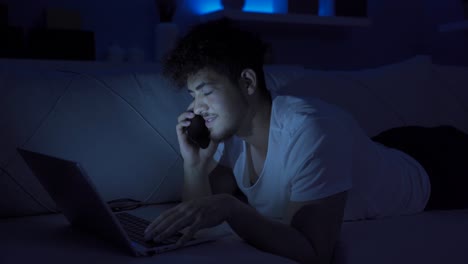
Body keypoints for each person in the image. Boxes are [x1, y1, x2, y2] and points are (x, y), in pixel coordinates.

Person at [143, 19, 468, 263]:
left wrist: (233, 210)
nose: (197, 107)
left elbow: (314, 250)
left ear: (247, 82)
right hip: (383, 149)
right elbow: (195, 217)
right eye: (192, 95)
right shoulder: (231, 137)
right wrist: (195, 165)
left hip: (437, 167)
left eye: (207, 92)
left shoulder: (312, 129)